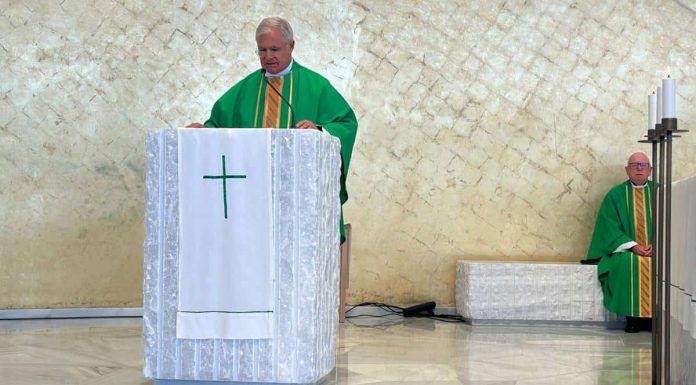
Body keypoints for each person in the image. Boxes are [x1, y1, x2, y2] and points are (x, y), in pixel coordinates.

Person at [188, 17, 358, 243]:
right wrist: (202, 131)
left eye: (274, 49)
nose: (268, 57)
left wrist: (319, 129)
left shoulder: (315, 86)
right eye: (262, 50)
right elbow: (218, 125)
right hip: (251, 202)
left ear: (292, 46)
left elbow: (346, 124)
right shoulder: (245, 89)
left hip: (300, 202)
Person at [584, 152, 653, 333]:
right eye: (634, 165)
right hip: (626, 251)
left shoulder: (663, 193)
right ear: (626, 170)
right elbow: (609, 228)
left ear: (650, 170)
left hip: (657, 250)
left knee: (663, 264)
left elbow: (674, 222)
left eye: (643, 165)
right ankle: (632, 319)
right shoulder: (615, 195)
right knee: (627, 263)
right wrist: (633, 246)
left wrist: (659, 245)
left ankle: (654, 318)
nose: (639, 168)